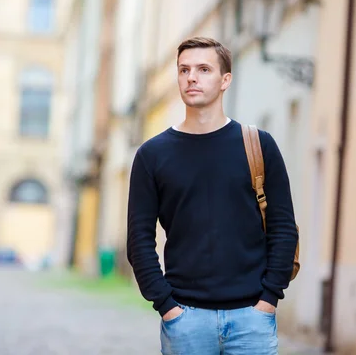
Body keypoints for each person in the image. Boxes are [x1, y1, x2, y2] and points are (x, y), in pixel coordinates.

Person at [126, 37, 299, 354]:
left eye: (204, 69)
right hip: (185, 321)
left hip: (252, 320)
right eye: (184, 70)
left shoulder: (259, 145)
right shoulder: (152, 155)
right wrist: (167, 307)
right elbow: (138, 241)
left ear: (225, 80)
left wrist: (269, 299)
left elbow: (283, 227)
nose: (191, 77)